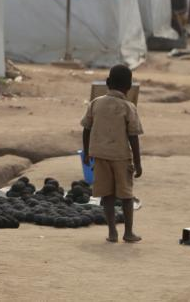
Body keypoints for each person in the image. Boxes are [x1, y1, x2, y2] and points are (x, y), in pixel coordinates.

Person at [81, 64, 143, 244]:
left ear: (107, 82)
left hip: (100, 156)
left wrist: (87, 152)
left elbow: (86, 129)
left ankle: (112, 232)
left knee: (107, 195)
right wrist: (138, 162)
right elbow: (133, 137)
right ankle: (128, 232)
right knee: (126, 195)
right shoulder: (128, 107)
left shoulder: (95, 103)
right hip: (121, 157)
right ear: (129, 86)